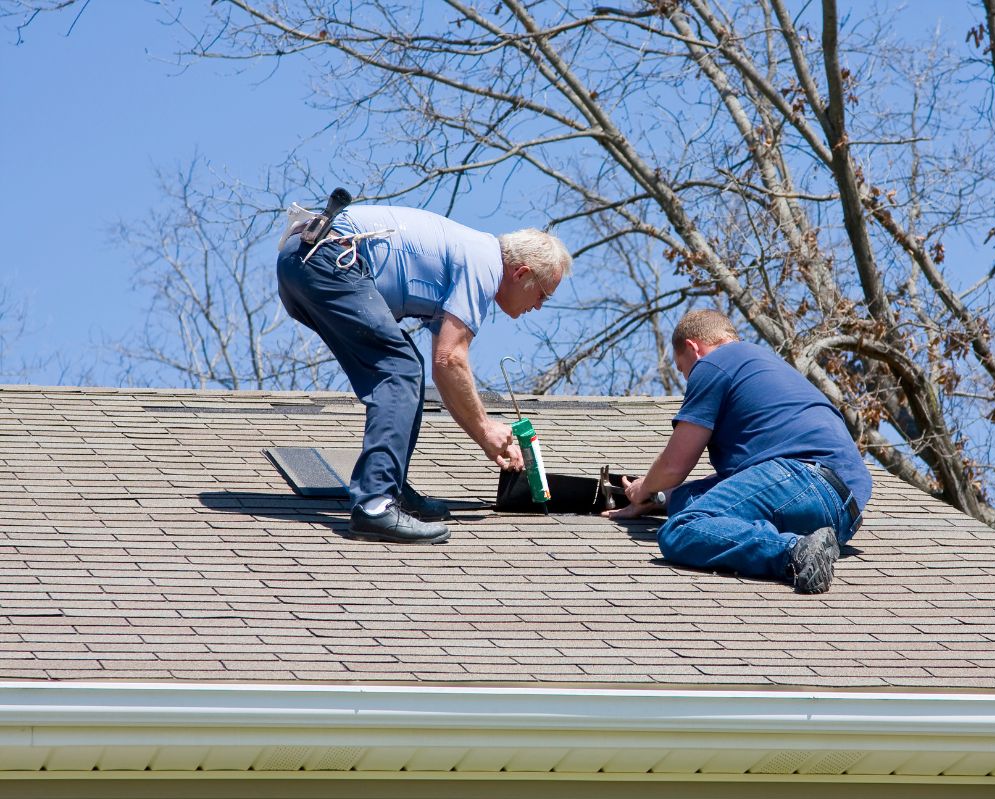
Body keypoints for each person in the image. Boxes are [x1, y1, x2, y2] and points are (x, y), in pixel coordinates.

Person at [277, 202, 571, 544]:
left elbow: (443, 371)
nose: (537, 306)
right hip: (329, 258)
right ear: (521, 274)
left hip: (303, 261)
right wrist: (486, 428)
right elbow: (451, 359)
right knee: (400, 370)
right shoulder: (485, 263)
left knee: (406, 369)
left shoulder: (467, 256)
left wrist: (484, 436)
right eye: (543, 295)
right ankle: (375, 505)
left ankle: (392, 489)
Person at [605, 310, 871, 593]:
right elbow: (736, 487)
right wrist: (660, 499)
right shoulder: (763, 367)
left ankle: (794, 551)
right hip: (842, 514)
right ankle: (810, 545)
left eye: (684, 370)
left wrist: (644, 487)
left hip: (802, 477)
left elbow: (674, 466)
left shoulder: (714, 363)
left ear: (694, 348)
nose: (689, 380)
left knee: (681, 529)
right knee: (690, 506)